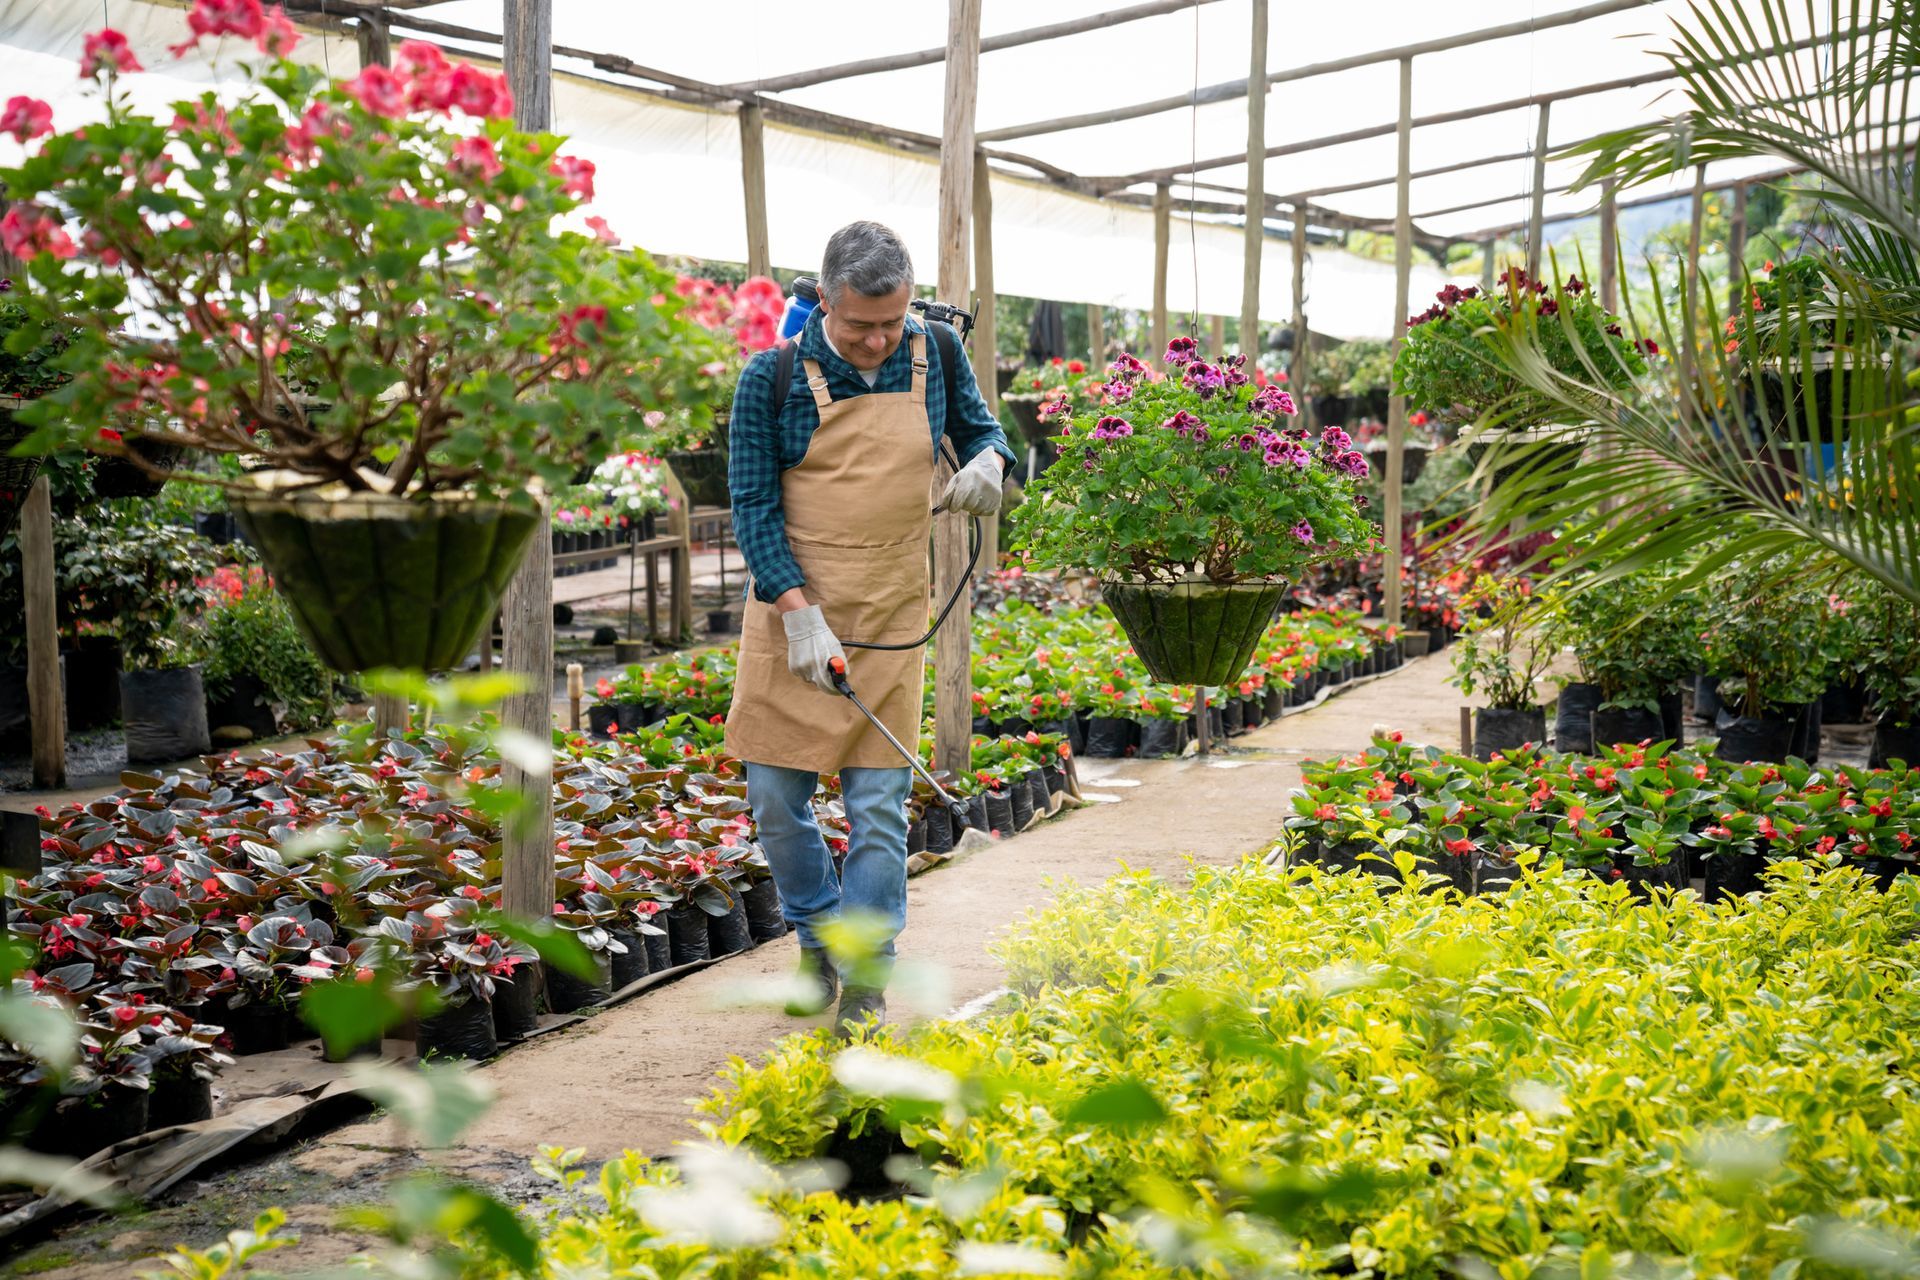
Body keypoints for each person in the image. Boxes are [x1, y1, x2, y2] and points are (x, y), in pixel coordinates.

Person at [724, 221, 1015, 1033]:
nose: (880, 340)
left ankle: (868, 979)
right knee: (776, 798)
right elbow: (751, 508)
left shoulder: (936, 354)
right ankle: (818, 934)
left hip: (891, 606)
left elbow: (985, 432)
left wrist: (990, 462)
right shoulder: (772, 377)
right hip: (794, 610)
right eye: (860, 326)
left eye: (893, 322)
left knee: (879, 804)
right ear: (822, 302)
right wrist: (798, 611)